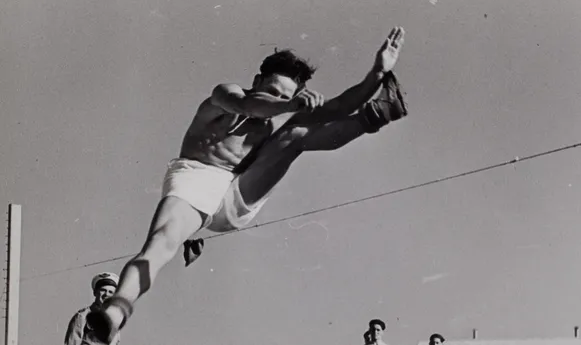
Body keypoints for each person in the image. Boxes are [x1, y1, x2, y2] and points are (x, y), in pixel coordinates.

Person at [86, 26, 408, 343]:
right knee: (161, 242)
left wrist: (377, 74)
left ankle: (375, 115)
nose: (278, 100)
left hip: (237, 194)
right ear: (256, 82)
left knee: (296, 136)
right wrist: (290, 104)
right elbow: (248, 105)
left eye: (286, 95)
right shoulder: (226, 95)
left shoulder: (280, 117)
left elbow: (336, 107)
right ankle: (114, 314)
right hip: (195, 176)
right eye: (272, 90)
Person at [64, 273, 121, 345]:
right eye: (103, 290)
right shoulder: (83, 316)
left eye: (110, 292)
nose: (106, 294)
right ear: (95, 292)